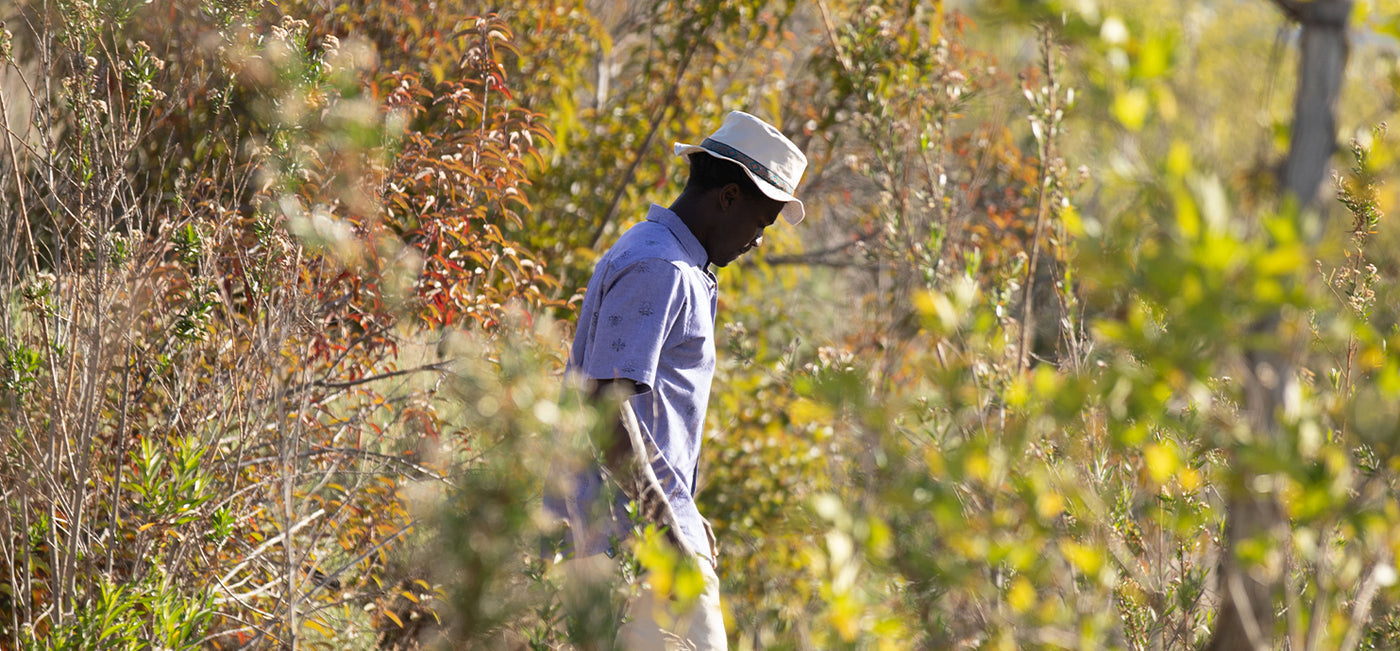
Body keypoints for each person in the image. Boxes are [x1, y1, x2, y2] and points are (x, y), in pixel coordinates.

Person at [544, 111, 807, 649]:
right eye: (761, 223)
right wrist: (666, 528)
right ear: (729, 197)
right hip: (631, 546)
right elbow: (605, 406)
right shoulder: (661, 267)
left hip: (629, 535)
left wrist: (682, 508)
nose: (758, 241)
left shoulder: (670, 260)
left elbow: (644, 417)